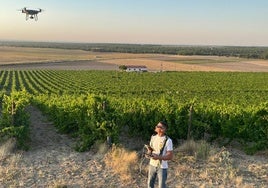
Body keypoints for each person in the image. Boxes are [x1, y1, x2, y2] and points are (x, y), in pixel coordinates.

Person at [147, 121, 173, 188]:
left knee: (161, 186)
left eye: (158, 126)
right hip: (152, 164)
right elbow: (151, 150)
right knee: (150, 184)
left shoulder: (168, 140)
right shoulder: (153, 137)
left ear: (163, 129)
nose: (156, 127)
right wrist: (148, 153)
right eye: (157, 126)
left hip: (162, 167)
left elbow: (170, 156)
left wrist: (158, 157)